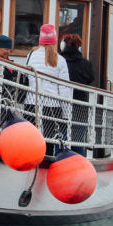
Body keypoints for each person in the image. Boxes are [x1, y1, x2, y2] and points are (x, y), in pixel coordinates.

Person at [24, 24, 70, 152]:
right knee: (49, 141)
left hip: (31, 101)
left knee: (30, 138)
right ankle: (46, 164)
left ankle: (30, 162)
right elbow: (64, 89)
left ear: (40, 40)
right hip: (53, 105)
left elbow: (26, 78)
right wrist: (66, 114)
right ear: (55, 41)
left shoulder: (30, 56)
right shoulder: (60, 61)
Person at [60, 32, 96, 153]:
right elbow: (91, 78)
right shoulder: (86, 64)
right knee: (78, 139)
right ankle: (79, 164)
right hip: (81, 104)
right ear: (78, 47)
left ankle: (60, 160)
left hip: (62, 103)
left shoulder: (61, 62)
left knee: (61, 137)